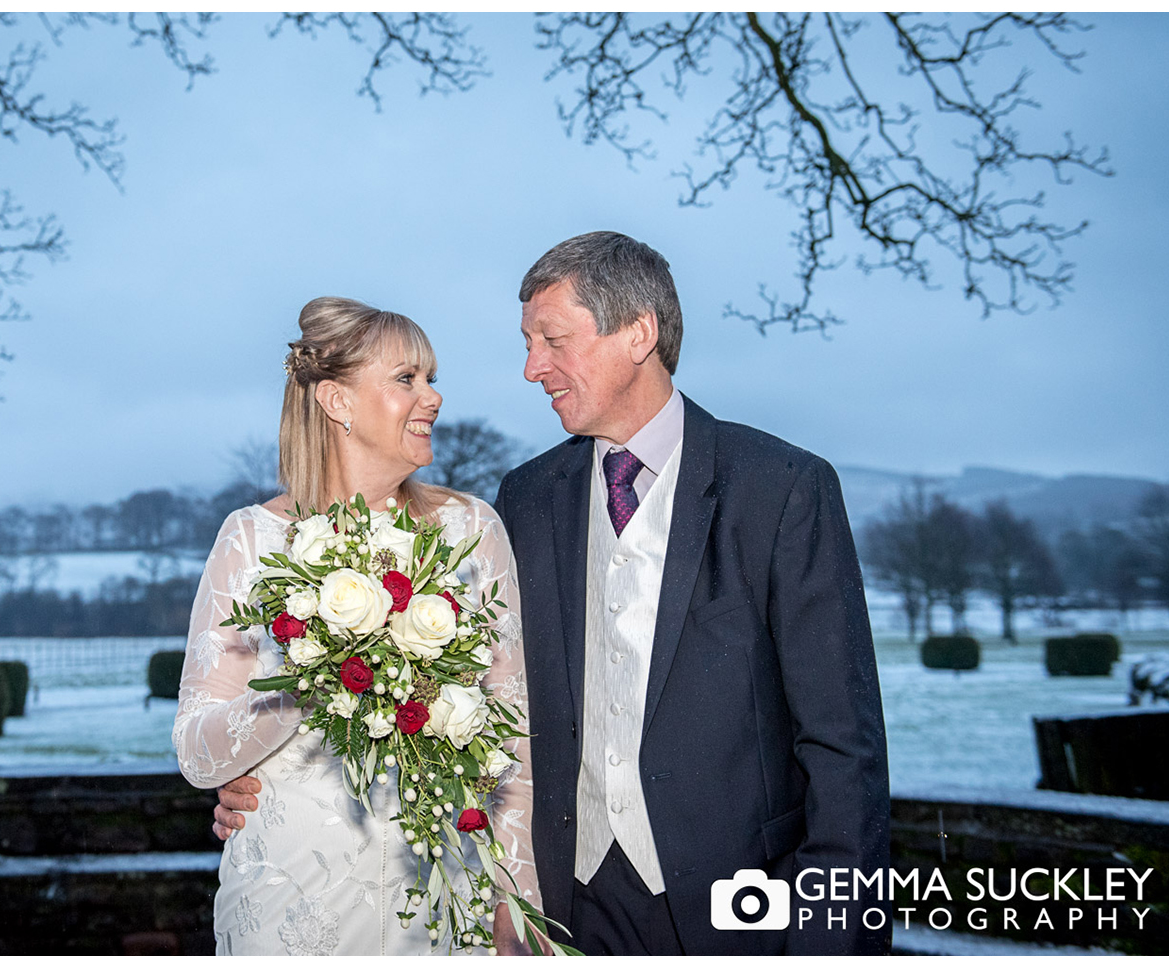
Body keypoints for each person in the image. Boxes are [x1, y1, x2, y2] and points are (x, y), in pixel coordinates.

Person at [219, 232, 891, 955]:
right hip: (569, 910)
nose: (532, 367)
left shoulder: (781, 489)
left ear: (639, 333)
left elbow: (843, 744)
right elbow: (472, 705)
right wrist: (269, 778)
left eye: (552, 339)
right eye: (527, 342)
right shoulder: (528, 498)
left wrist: (832, 936)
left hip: (741, 909)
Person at [175, 297, 541, 955]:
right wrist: (301, 688)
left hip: (441, 900)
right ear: (338, 401)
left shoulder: (471, 531)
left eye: (430, 378)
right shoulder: (253, 540)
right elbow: (196, 750)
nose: (432, 398)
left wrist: (519, 901)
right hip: (291, 903)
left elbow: (514, 740)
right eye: (407, 379)